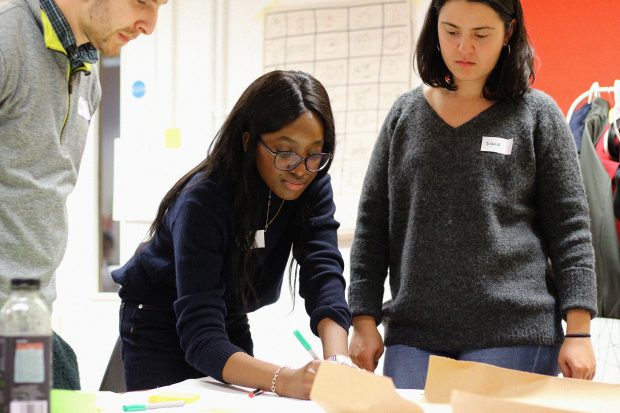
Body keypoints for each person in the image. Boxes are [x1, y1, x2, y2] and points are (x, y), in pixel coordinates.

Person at [347, 0, 597, 389]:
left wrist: (578, 332)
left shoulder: (537, 114)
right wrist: (363, 320)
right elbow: (372, 225)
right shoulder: (405, 115)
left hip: (515, 330)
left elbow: (571, 230)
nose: (464, 48)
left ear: (508, 32)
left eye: (481, 35)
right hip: (415, 333)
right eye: (451, 32)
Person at [112, 70, 352, 399]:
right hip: (159, 318)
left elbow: (322, 269)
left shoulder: (313, 182)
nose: (301, 168)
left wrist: (338, 361)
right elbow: (202, 339)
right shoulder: (205, 201)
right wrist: (287, 379)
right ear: (248, 142)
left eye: (315, 153)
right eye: (286, 152)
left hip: (226, 314)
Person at [0, 0, 167, 389]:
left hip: (28, 315)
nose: (150, 25)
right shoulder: (8, 39)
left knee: (65, 379)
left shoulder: (87, 73)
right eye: (142, 2)